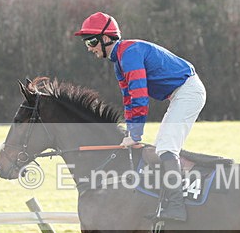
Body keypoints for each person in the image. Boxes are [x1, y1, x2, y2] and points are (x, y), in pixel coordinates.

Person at [74, 12, 206, 222]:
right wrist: (130, 131)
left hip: (188, 92)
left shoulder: (129, 54)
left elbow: (139, 96)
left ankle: (177, 207)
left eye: (91, 41)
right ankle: (168, 198)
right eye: (86, 43)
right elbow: (128, 99)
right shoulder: (120, 62)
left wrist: (135, 135)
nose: (89, 47)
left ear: (106, 38)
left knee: (165, 148)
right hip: (180, 94)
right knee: (161, 148)